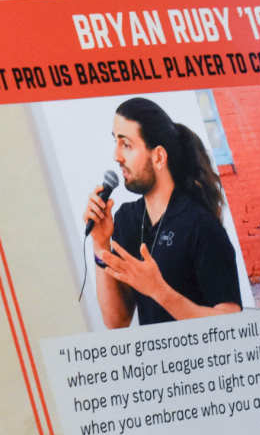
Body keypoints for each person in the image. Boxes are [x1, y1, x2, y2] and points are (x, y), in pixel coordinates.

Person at [83, 96, 243, 328]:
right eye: (115, 141)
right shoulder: (127, 219)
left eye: (126, 144)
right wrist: (100, 244)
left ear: (158, 156)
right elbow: (116, 321)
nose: (116, 156)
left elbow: (232, 322)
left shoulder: (200, 224)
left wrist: (160, 292)